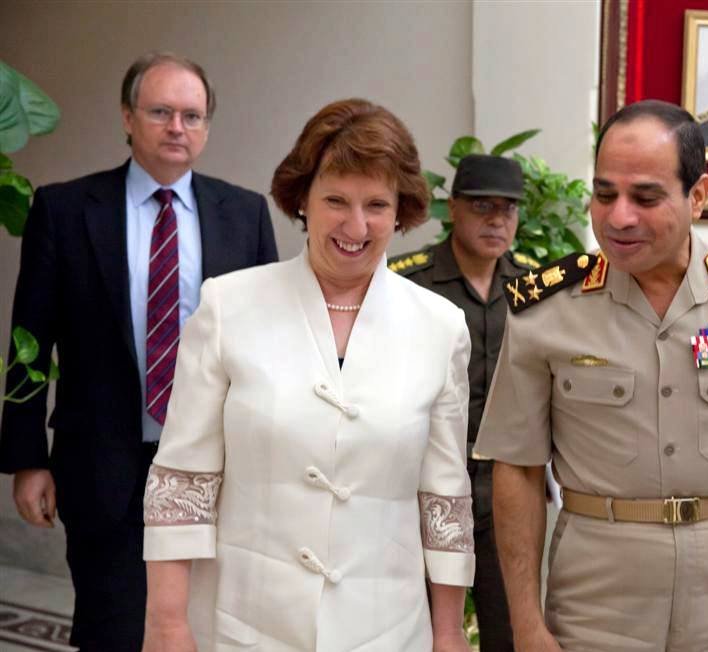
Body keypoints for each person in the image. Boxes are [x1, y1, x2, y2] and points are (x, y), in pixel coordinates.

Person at [475, 99, 708, 652]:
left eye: (645, 197)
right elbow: (517, 470)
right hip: (593, 616)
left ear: (698, 195)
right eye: (604, 195)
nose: (618, 216)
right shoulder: (547, 312)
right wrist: (527, 627)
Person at [141, 98, 474, 651]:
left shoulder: (440, 327)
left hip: (388, 628)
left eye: (377, 204)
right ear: (303, 202)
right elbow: (183, 481)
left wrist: (448, 633)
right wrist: (167, 624)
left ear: (401, 212)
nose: (356, 225)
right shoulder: (229, 307)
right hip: (244, 624)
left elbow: (443, 497)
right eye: (336, 201)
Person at [0, 52, 278, 651]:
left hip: (216, 469)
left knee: (203, 628)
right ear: (128, 118)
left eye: (192, 115)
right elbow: (30, 341)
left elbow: (269, 348)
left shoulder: (245, 213)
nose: (177, 127)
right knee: (115, 629)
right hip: (103, 468)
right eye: (160, 112)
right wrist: (27, 459)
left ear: (207, 127)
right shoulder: (66, 210)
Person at [389, 153, 539, 652]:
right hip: (421, 486)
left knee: (513, 630)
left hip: (508, 490)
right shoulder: (406, 283)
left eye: (508, 209)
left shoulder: (536, 289)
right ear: (452, 208)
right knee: (421, 630)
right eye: (482, 206)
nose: (497, 219)